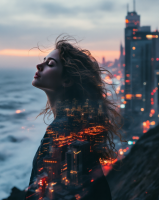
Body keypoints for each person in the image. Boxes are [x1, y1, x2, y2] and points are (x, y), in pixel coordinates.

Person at [24, 35, 124, 200]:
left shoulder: (62, 131)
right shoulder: (77, 125)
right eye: (44, 60)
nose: (39, 65)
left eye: (50, 64)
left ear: (67, 80)